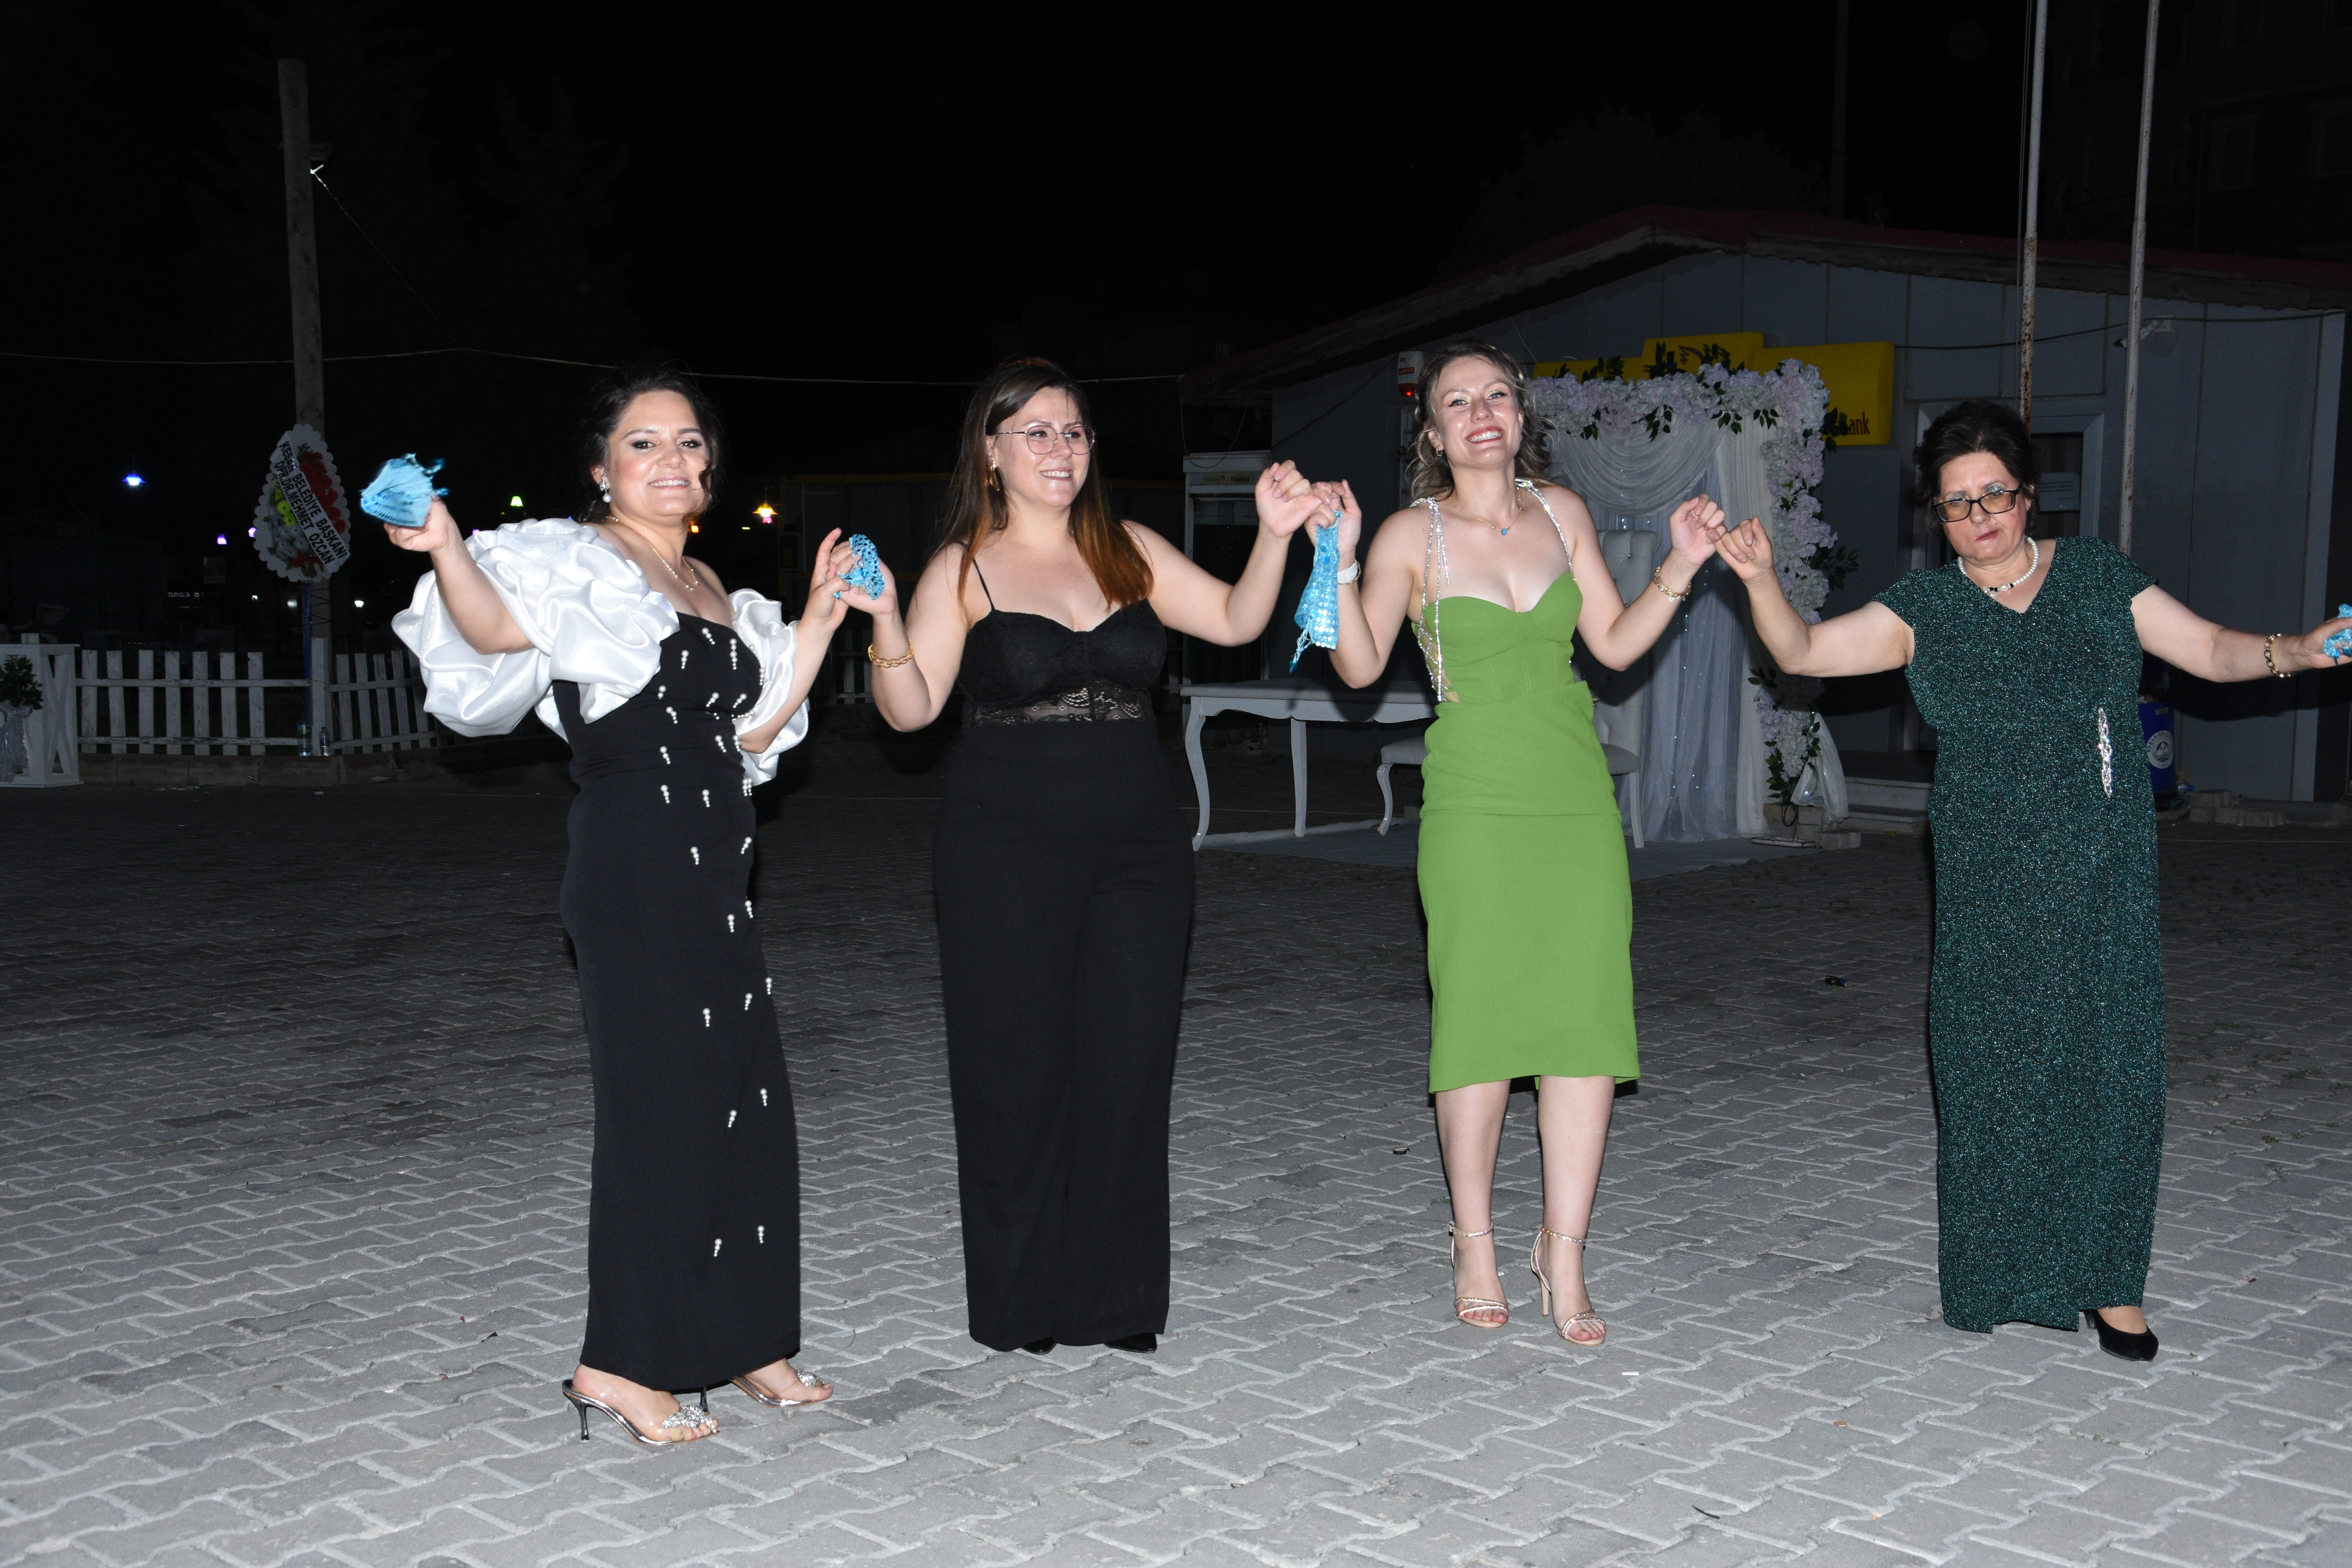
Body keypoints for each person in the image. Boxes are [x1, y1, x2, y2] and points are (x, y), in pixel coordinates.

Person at [1708, 397, 2350, 1359]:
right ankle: (1998, 1268)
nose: (1980, 516)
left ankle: (2110, 1281)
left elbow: (2212, 651)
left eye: (1995, 494)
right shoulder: (1922, 611)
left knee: (2110, 1058)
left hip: (2102, 857)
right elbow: (1800, 652)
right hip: (1988, 862)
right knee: (1992, 1059)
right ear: (1937, 514)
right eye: (1957, 503)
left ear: (2028, 494)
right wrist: (1761, 577)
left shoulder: (2095, 575)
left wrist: (2296, 649)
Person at [388, 368, 858, 1441]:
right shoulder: (575, 560)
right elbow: (494, 631)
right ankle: (621, 1362)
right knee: (663, 1111)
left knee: (746, 1099)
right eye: (643, 443)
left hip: (719, 871)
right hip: (638, 863)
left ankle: (748, 1336)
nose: (671, 460)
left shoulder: (707, 583)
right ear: (602, 468)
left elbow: (751, 734)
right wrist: (447, 543)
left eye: (688, 442)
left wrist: (823, 616)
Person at [843, 358, 1321, 1355]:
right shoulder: (964, 567)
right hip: (1004, 849)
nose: (1060, 449)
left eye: (1074, 431)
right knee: (1014, 1072)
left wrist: (1275, 536)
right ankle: (1021, 1303)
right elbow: (911, 709)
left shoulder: (1130, 548)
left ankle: (1114, 1299)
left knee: (1128, 1068)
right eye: (1037, 431)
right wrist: (885, 620)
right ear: (991, 451)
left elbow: (1236, 619)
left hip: (1140, 846)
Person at [1313, 341, 1721, 1345]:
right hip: (1476, 800)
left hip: (1571, 795)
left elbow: (1615, 645)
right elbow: (1358, 668)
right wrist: (1338, 557)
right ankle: (1475, 1242)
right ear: (1434, 430)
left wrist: (1680, 562)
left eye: (1496, 394)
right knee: (1482, 1024)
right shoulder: (1412, 534)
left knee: (1584, 1022)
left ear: (1520, 414)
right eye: (1458, 401)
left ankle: (1565, 1250)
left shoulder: (1562, 512)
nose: (1481, 411)